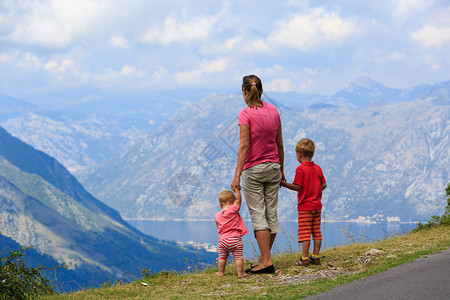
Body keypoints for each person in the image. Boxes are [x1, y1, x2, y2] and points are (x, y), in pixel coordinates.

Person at [231, 74, 285, 274]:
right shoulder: (274, 111)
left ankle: (266, 262)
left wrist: (237, 175)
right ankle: (264, 258)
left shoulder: (245, 114)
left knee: (258, 215)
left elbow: (244, 146)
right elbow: (279, 144)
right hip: (273, 168)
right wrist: (282, 169)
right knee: (271, 213)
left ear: (244, 92)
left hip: (253, 170)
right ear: (261, 90)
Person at [280, 138, 327, 266]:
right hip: (317, 206)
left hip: (305, 207)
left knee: (305, 233)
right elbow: (324, 184)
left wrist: (284, 184)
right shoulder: (317, 168)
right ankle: (316, 257)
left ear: (299, 155)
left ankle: (305, 258)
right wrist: (316, 191)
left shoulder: (300, 169)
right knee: (317, 232)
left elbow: (297, 187)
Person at [215, 188, 249, 277]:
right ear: (232, 202)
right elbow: (239, 200)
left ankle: (220, 272)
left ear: (220, 205)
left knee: (222, 258)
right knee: (238, 258)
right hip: (235, 240)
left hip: (222, 241)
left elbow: (218, 227)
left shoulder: (217, 216)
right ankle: (240, 273)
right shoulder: (233, 210)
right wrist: (237, 191)